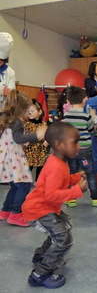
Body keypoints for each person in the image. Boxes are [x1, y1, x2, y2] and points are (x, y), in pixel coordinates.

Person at [22, 122, 87, 289]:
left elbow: (61, 182)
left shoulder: (59, 160)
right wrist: (77, 190)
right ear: (59, 145)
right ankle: (40, 274)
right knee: (63, 238)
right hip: (39, 209)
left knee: (62, 230)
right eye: (74, 142)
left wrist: (75, 178)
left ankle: (42, 257)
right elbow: (51, 195)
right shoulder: (56, 165)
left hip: (46, 207)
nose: (78, 147)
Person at [0, 90, 46, 227]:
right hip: (13, 158)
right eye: (27, 110)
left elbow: (12, 138)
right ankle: (16, 214)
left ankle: (5, 211)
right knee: (24, 185)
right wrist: (37, 136)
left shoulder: (8, 119)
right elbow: (18, 138)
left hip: (7, 157)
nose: (29, 113)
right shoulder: (17, 122)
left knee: (15, 185)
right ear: (21, 109)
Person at [62, 86, 97, 207]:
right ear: (84, 100)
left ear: (69, 101)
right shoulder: (86, 116)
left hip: (71, 150)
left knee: (73, 173)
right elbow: (91, 130)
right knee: (90, 172)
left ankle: (71, 199)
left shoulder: (66, 116)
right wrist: (94, 120)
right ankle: (95, 199)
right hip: (85, 149)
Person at [24, 99, 50, 181]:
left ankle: (38, 183)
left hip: (41, 151)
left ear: (40, 112)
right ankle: (25, 182)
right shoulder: (26, 124)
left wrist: (47, 141)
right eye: (28, 111)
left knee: (40, 169)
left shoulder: (44, 124)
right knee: (27, 169)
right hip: (29, 151)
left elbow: (49, 135)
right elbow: (23, 135)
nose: (29, 113)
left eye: (32, 111)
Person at [0, 33, 16, 108]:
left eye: (1, 61)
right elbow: (4, 91)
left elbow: (11, 93)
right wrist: (1, 90)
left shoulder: (10, 72)